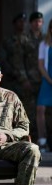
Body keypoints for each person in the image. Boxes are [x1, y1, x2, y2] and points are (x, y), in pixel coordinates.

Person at [20, 11, 44, 141]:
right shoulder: (24, 39)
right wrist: (24, 79)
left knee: (45, 112)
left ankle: (44, 139)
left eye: (40, 22)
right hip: (30, 80)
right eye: (35, 21)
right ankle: (29, 139)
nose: (37, 24)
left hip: (44, 80)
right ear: (30, 23)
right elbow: (18, 61)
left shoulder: (46, 39)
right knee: (29, 112)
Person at [0, 13, 27, 96]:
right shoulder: (7, 40)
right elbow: (2, 59)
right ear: (14, 24)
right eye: (20, 21)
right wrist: (13, 72)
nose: (22, 24)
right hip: (11, 79)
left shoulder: (29, 40)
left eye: (24, 21)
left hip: (28, 80)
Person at [36, 19, 52, 152]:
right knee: (40, 108)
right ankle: (42, 140)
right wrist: (49, 79)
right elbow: (41, 65)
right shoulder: (44, 44)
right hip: (48, 79)